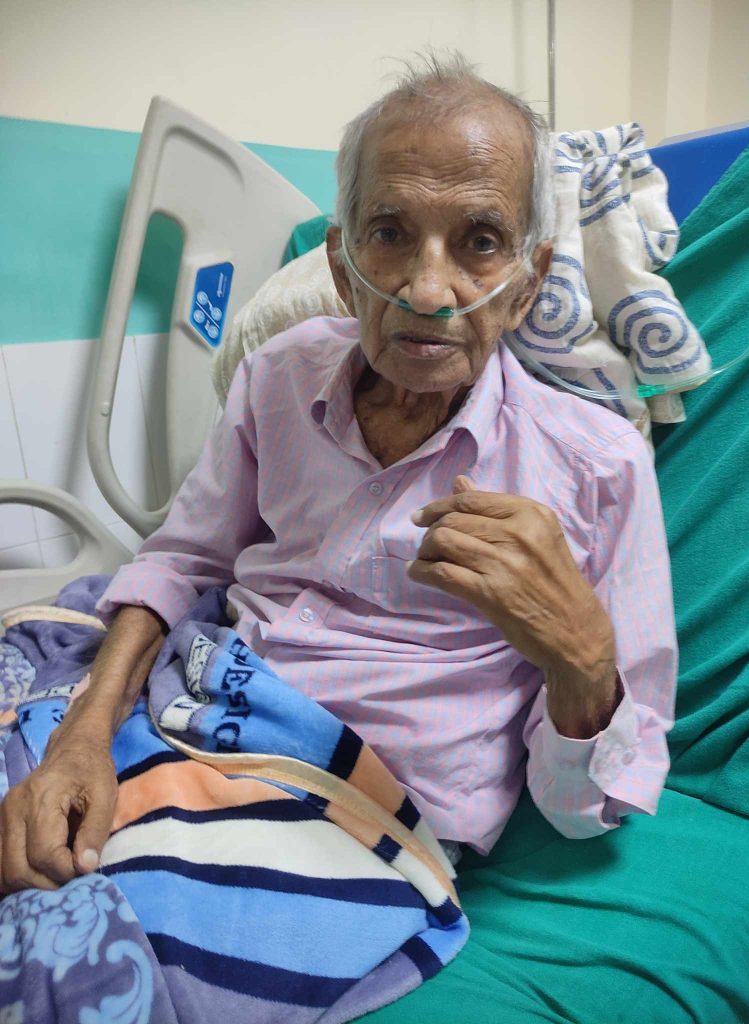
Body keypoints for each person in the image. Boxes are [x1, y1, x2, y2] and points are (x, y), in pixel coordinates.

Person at [0, 53, 676, 893]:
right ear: (340, 265)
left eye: (480, 242)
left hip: (355, 810)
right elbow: (182, 559)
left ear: (525, 286)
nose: (427, 290)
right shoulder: (278, 376)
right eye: (389, 233)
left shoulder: (597, 467)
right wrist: (83, 738)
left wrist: (579, 656)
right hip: (184, 712)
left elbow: (583, 808)